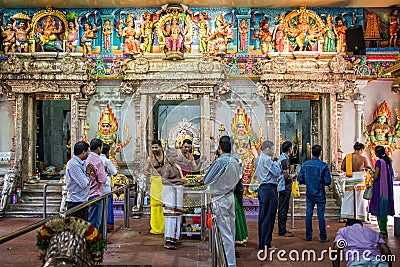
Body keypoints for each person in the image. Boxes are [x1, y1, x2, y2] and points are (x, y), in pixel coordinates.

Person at [203, 136, 241, 267]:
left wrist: (213, 162)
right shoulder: (235, 160)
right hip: (230, 196)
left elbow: (206, 179)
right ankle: (229, 260)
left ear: (219, 148)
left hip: (220, 198)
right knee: (231, 230)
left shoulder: (220, 162)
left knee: (225, 233)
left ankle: (229, 263)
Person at [297, 144, 331, 242]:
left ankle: (308, 236)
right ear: (320, 153)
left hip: (309, 192)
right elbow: (328, 181)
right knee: (321, 215)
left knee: (309, 213)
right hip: (320, 192)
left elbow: (300, 179)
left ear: (312, 153)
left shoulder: (305, 165)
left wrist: (309, 181)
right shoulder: (323, 165)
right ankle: (323, 237)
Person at [255, 140, 281, 251]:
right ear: (266, 149)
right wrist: (276, 164)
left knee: (263, 216)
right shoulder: (267, 160)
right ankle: (266, 243)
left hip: (262, 188)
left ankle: (263, 242)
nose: (273, 151)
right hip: (269, 189)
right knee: (269, 217)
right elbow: (277, 173)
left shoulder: (258, 159)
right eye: (272, 149)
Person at [161, 148, 187, 250]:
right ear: (168, 157)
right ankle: (168, 240)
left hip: (177, 193)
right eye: (174, 156)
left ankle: (174, 238)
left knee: (177, 216)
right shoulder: (166, 167)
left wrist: (180, 181)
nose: (176, 158)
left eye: (177, 156)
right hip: (170, 194)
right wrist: (179, 180)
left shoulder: (176, 166)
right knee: (170, 217)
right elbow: (164, 181)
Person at [340, 142, 371, 221]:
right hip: (359, 179)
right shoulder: (363, 158)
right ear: (361, 149)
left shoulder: (348, 157)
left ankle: (344, 216)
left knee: (347, 198)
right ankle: (359, 215)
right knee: (360, 199)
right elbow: (367, 168)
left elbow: (343, 168)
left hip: (349, 179)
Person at [369, 146, 395, 238]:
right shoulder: (388, 162)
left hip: (379, 187)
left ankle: (383, 231)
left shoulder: (379, 162)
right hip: (387, 188)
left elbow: (376, 176)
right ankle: (384, 230)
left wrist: (371, 173)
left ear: (376, 153)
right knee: (384, 207)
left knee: (379, 207)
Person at [143, 140, 165, 234]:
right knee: (155, 206)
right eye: (153, 147)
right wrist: (150, 173)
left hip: (165, 183)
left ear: (161, 147)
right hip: (155, 183)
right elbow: (145, 170)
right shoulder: (150, 158)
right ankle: (156, 228)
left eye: (156, 147)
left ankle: (165, 227)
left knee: (165, 205)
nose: (154, 149)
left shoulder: (166, 157)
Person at [65, 141, 90, 221]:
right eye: (87, 151)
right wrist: (88, 173)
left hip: (82, 200)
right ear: (83, 152)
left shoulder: (81, 163)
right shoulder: (73, 164)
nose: (88, 153)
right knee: (76, 229)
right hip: (76, 201)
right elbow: (84, 184)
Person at [87, 138, 107, 232]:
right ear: (98, 148)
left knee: (89, 220)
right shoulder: (98, 161)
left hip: (86, 193)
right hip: (96, 193)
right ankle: (93, 243)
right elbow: (102, 179)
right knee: (95, 222)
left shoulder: (85, 158)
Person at [277, 141, 297, 237]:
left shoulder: (283, 158)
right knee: (283, 208)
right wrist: (294, 175)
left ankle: (282, 228)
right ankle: (282, 230)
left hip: (283, 186)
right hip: (284, 186)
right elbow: (286, 176)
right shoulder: (284, 160)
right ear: (289, 149)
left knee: (283, 208)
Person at [100, 143, 117, 232]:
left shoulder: (95, 159)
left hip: (96, 189)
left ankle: (100, 224)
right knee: (108, 206)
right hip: (106, 187)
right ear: (107, 152)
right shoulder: (106, 161)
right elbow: (114, 172)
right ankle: (108, 224)